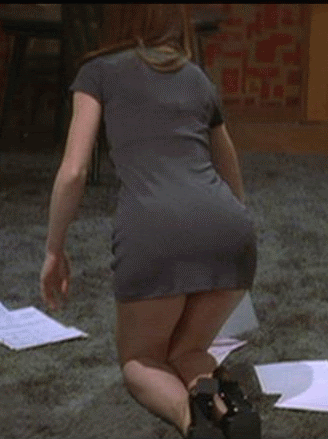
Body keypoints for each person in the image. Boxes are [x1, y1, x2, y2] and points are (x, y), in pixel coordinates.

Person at [40, 4, 259, 439]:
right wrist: (232, 232)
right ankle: (227, 407)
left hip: (154, 233)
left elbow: (74, 171)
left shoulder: (97, 72)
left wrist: (54, 249)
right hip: (230, 232)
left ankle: (191, 419)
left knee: (141, 360)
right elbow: (229, 166)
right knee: (189, 350)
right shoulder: (197, 77)